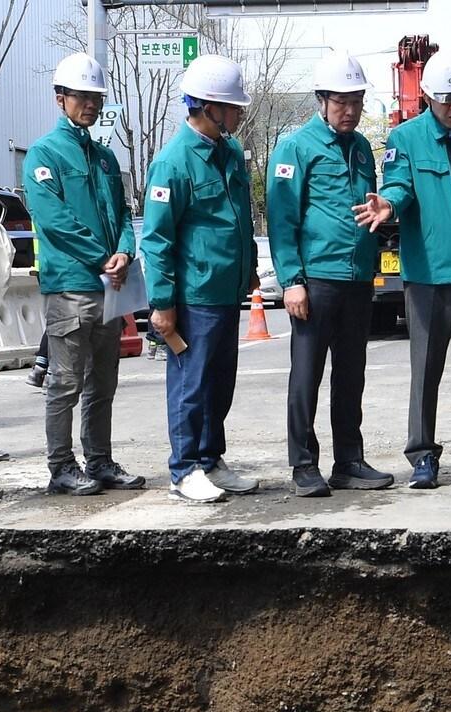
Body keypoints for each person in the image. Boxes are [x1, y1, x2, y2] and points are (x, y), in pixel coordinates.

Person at [352, 51, 451, 490]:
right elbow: (399, 185)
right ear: (427, 97)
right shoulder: (406, 138)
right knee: (426, 369)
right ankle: (422, 455)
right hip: (427, 276)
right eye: (446, 100)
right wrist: (389, 204)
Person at [267, 50, 394, 498]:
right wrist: (292, 281)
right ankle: (304, 464)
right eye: (341, 102)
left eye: (357, 101)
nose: (350, 110)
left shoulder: (360, 148)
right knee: (307, 375)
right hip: (316, 280)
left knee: (351, 374)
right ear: (321, 100)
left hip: (357, 278)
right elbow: (282, 219)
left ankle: (349, 461)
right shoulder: (296, 148)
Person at [23, 52, 144, 497]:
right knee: (65, 382)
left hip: (109, 285)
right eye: (81, 96)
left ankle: (100, 460)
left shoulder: (105, 157)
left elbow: (123, 213)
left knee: (103, 382)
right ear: (60, 98)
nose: (90, 104)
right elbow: (53, 219)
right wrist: (102, 258)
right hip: (71, 285)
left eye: (96, 97)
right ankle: (60, 466)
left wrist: (125, 252)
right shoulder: (44, 153)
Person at [142, 54, 259, 505]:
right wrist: (163, 303)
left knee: (219, 384)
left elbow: (240, 220)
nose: (239, 114)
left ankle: (210, 460)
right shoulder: (173, 163)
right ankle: (184, 468)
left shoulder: (229, 153)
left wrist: (248, 269)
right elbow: (157, 238)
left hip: (226, 291)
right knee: (191, 385)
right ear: (208, 107)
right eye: (233, 107)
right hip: (194, 295)